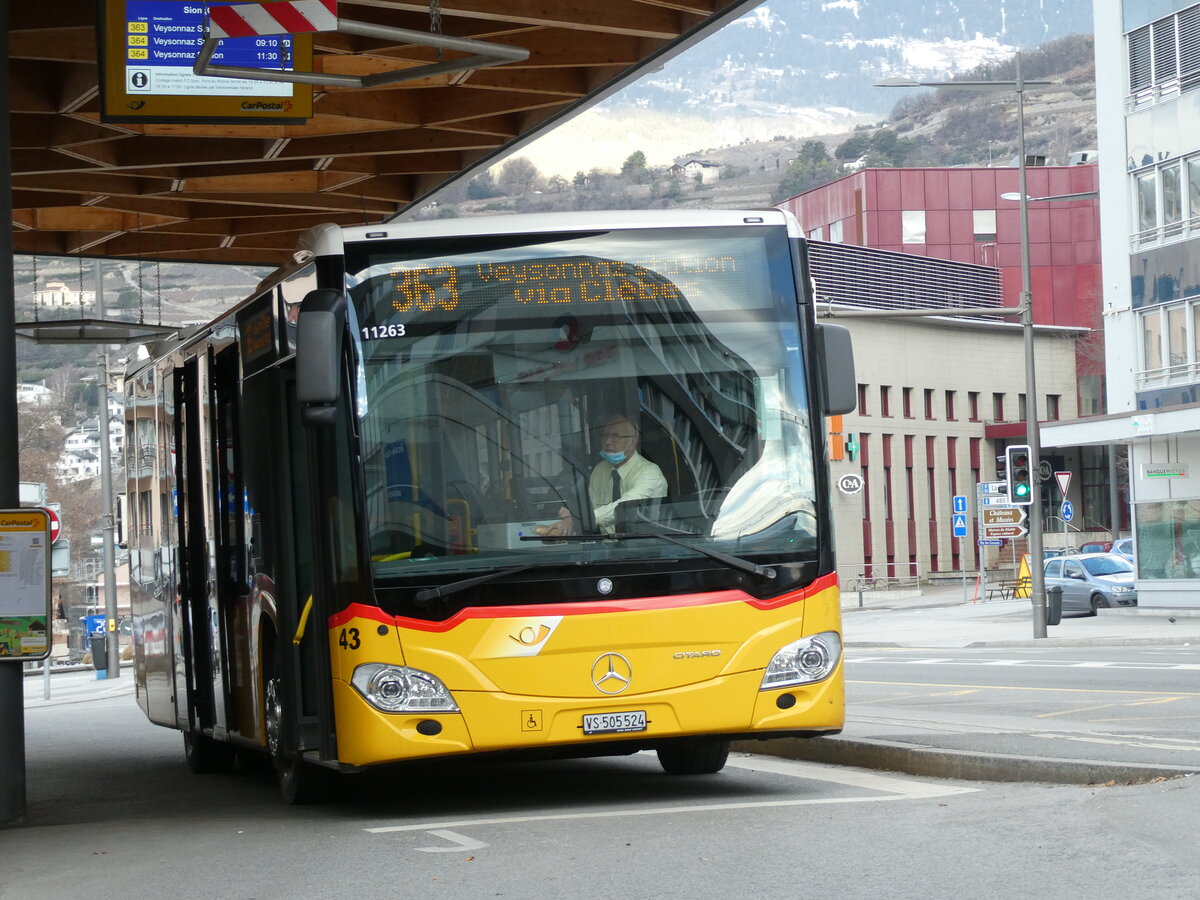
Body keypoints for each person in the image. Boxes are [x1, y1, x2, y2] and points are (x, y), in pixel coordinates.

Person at [545, 414, 667, 535]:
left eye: (615, 436)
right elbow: (590, 510)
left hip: (642, 547)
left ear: (633, 441)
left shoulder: (651, 474)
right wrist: (572, 516)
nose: (608, 441)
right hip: (604, 548)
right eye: (604, 435)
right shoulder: (600, 470)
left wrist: (579, 519)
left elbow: (623, 508)